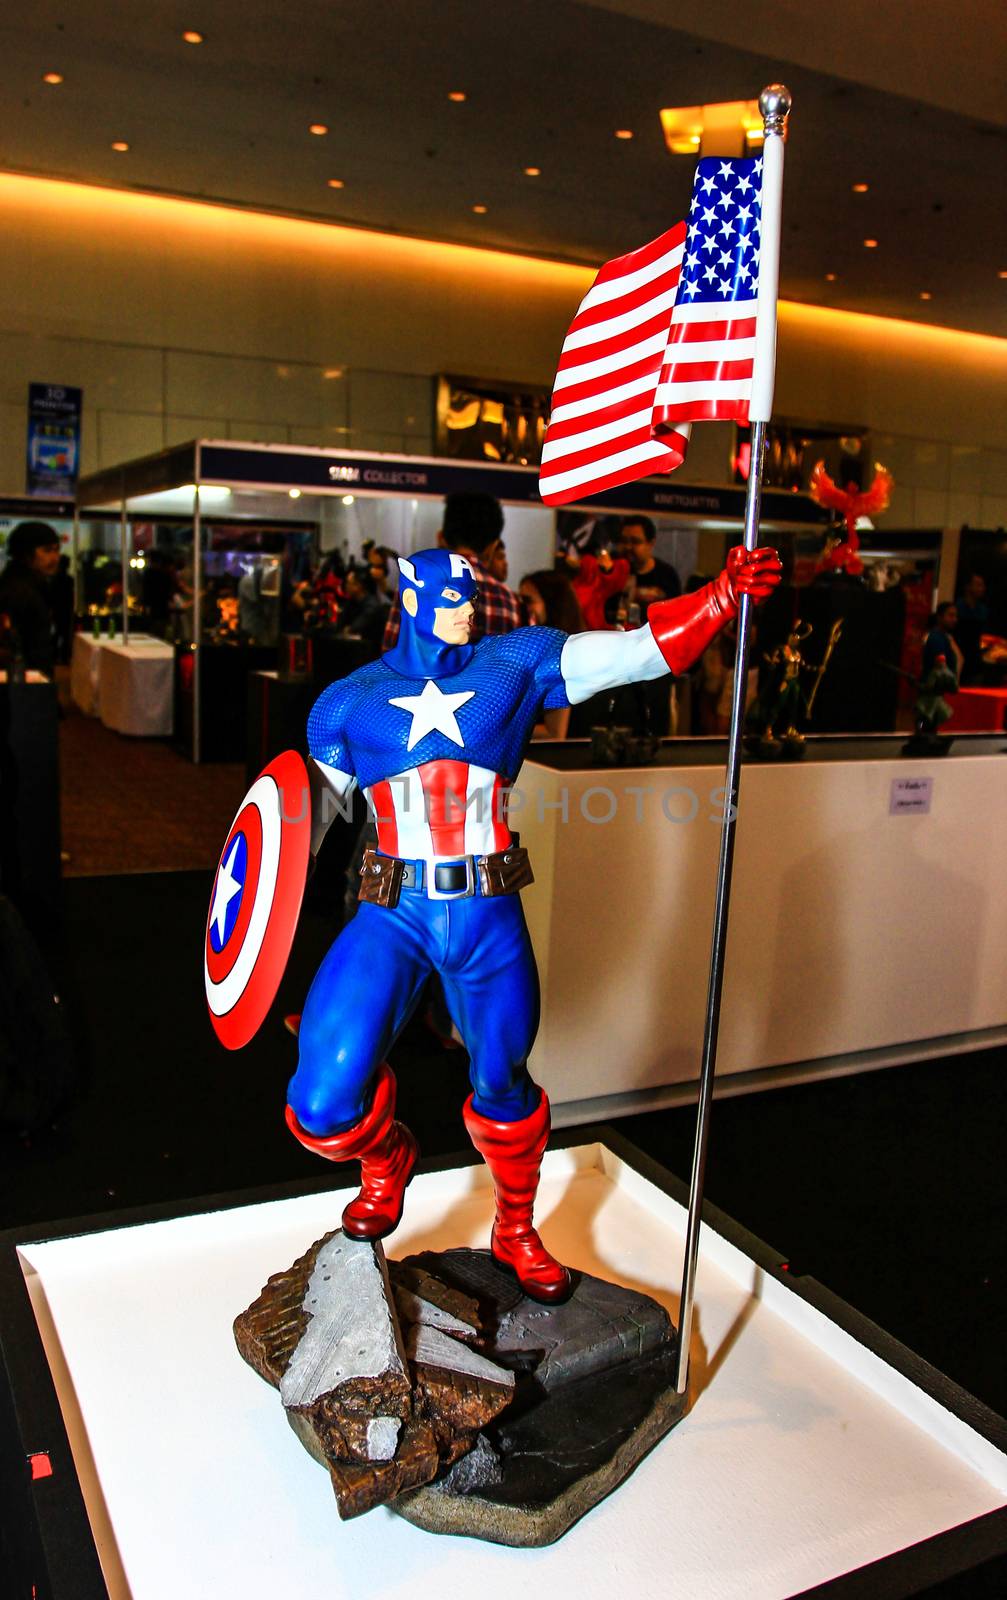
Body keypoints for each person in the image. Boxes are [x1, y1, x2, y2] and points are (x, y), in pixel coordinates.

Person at [277, 540, 782, 1303]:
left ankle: (513, 1227)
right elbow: (298, 832)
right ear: (409, 600)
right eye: (451, 599)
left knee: (502, 1082)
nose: (468, 609)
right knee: (320, 1104)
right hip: (393, 913)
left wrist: (718, 597)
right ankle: (386, 1161)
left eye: (470, 595)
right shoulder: (344, 704)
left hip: (486, 915)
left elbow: (640, 653)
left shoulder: (515, 663)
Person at [382, 493, 520, 650]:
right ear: (494, 547)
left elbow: (391, 653)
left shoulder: (415, 585)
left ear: (441, 538)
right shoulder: (512, 602)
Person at [517, 569, 584, 737]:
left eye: (528, 601)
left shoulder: (559, 655)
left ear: (553, 603)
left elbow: (554, 732)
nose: (520, 608)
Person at [0, 522, 61, 676]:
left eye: (56, 550)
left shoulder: (32, 586)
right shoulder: (20, 591)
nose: (54, 558)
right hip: (24, 681)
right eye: (47, 551)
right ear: (26, 555)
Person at [618, 516, 682, 620]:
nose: (628, 547)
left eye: (635, 542)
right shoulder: (611, 572)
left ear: (650, 543)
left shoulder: (667, 574)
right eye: (624, 541)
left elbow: (676, 615)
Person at [953, 573, 989, 685]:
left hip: (975, 662)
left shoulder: (983, 610)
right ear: (968, 587)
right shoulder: (956, 608)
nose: (982, 589)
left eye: (982, 585)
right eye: (978, 585)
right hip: (957, 659)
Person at [922, 602, 964, 681]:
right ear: (939, 617)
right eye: (951, 615)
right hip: (936, 687)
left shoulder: (946, 637)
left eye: (956, 616)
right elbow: (941, 666)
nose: (955, 620)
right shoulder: (935, 637)